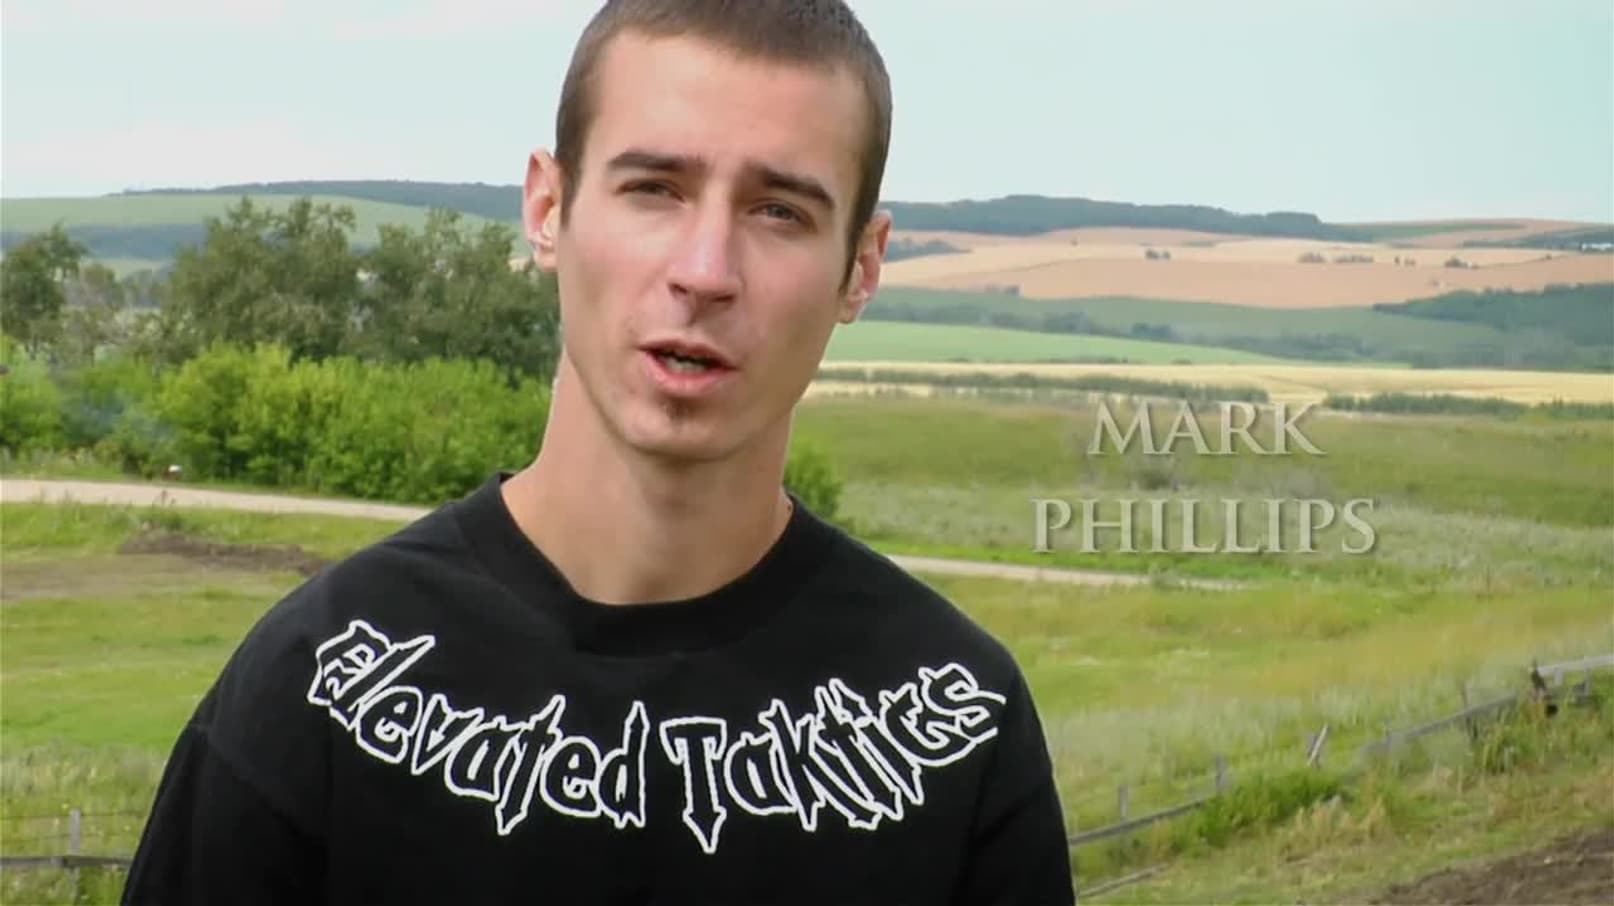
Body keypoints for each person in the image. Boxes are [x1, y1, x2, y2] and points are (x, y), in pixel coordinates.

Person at [122, 1, 1076, 903]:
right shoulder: (322, 686)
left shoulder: (955, 727)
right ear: (549, 209)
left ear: (860, 268)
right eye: (654, 189)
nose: (705, 272)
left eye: (780, 211)